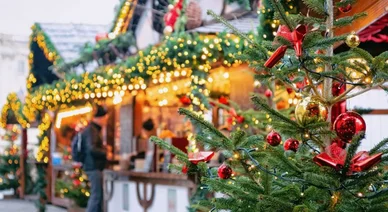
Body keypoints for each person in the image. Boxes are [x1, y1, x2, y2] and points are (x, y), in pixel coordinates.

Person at [81, 105, 108, 212]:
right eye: (105, 118)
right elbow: (92, 149)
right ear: (100, 118)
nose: (106, 121)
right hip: (93, 167)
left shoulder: (93, 130)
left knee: (97, 196)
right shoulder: (92, 130)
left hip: (93, 166)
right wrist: (105, 153)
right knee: (96, 196)